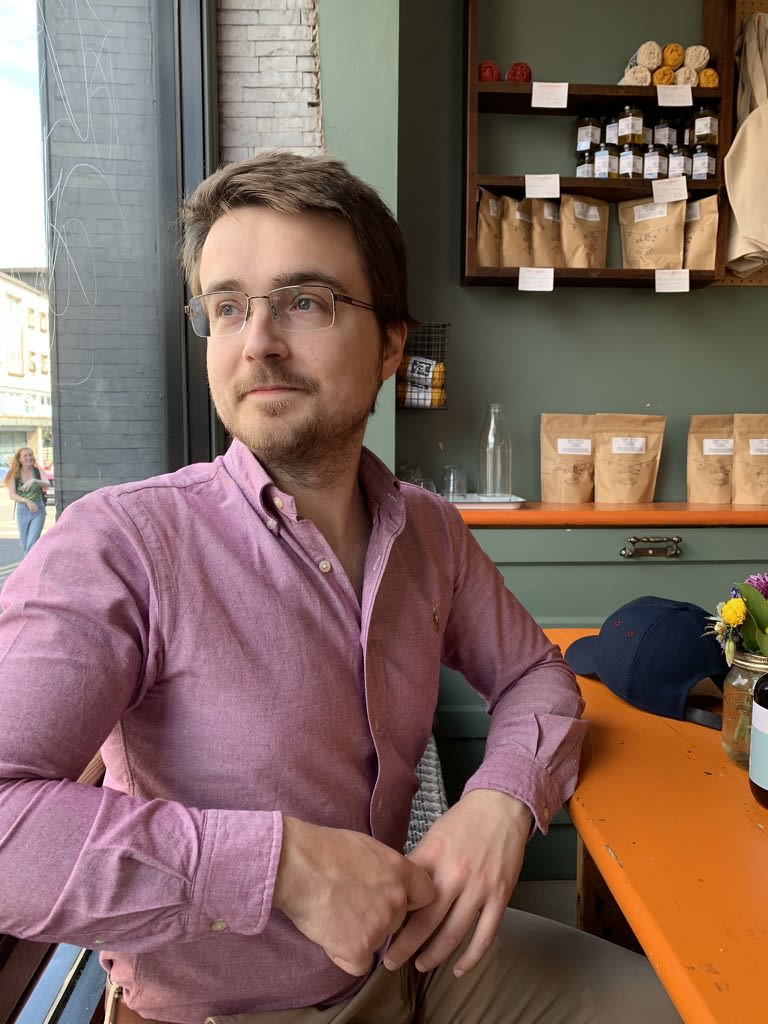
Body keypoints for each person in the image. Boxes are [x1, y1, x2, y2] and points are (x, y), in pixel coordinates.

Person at [0, 152, 681, 1024]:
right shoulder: (124, 544)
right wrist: (282, 865)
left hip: (413, 958)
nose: (258, 342)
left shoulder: (430, 532)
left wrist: (502, 799)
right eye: (228, 307)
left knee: (670, 1006)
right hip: (224, 1011)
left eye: (306, 301)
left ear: (393, 343)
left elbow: (537, 678)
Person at [3, 446, 49, 555]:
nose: (29, 457)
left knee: (32, 543)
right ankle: (30, 568)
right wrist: (27, 501)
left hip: (38, 509)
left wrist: (34, 481)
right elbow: (12, 495)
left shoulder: (37, 471)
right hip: (22, 510)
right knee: (25, 545)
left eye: (31, 455)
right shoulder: (15, 474)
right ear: (19, 459)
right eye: (25, 456)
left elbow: (47, 483)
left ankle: (27, 570)